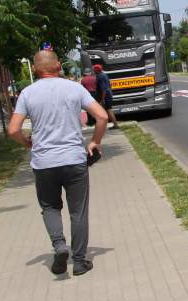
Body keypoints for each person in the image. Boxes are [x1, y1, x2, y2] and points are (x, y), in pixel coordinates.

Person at [8, 50, 108, 276]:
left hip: (44, 162)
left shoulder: (27, 93)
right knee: (78, 212)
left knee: (50, 207)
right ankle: (80, 262)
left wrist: (27, 144)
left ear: (35, 69)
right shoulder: (74, 88)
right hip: (74, 159)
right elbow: (101, 116)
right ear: (58, 67)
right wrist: (94, 142)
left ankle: (59, 246)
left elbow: (13, 130)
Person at [93, 64, 119, 130]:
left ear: (96, 70)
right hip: (108, 93)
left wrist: (102, 99)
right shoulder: (104, 75)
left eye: (94, 69)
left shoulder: (100, 76)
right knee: (107, 110)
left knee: (108, 109)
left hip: (105, 95)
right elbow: (110, 84)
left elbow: (103, 89)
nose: (93, 70)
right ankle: (113, 124)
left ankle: (115, 125)